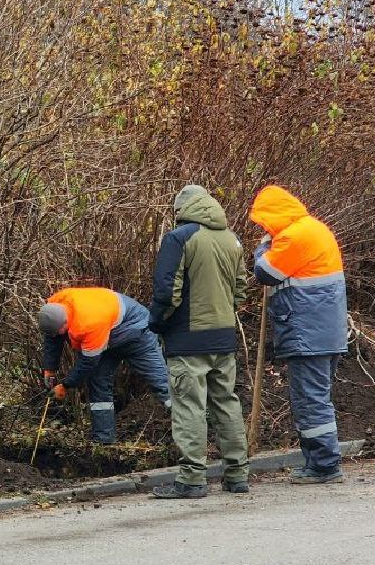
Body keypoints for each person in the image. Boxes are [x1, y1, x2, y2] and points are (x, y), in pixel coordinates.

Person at [146, 185, 249, 500]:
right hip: (223, 337)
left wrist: (157, 324)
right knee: (227, 403)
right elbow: (241, 289)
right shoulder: (231, 239)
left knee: (189, 406)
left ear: (179, 210)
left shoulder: (179, 238)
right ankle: (237, 475)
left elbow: (166, 291)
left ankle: (192, 479)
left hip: (187, 339)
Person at [249, 185, 348, 485]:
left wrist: (263, 247)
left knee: (310, 399)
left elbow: (265, 273)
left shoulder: (294, 236)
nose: (263, 227)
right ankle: (320, 462)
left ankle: (324, 465)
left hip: (307, 333)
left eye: (264, 221)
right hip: (322, 331)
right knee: (316, 397)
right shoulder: (315, 229)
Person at [39, 287, 171, 444]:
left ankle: (189, 431)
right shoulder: (53, 307)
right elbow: (52, 338)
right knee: (98, 382)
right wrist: (49, 369)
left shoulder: (89, 323)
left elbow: (88, 363)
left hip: (136, 331)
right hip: (107, 335)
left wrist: (65, 385)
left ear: (66, 321)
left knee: (160, 381)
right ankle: (103, 441)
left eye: (60, 331)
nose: (58, 335)